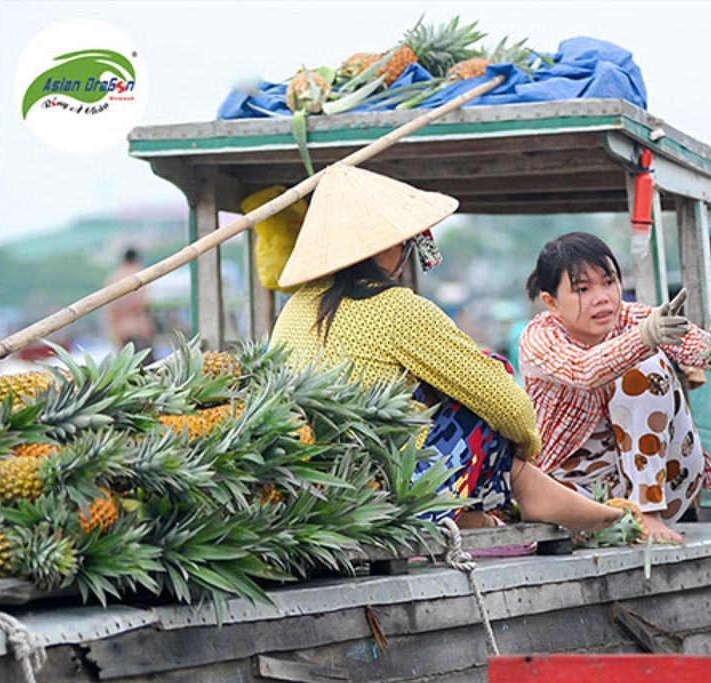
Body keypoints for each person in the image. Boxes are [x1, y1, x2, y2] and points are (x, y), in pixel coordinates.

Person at [269, 165, 628, 536]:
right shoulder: (396, 309)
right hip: (385, 496)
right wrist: (526, 450)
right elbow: (509, 405)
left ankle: (491, 504)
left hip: (310, 491)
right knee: (486, 388)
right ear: (389, 243)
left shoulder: (294, 309)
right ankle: (529, 489)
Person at [519, 232, 711, 543]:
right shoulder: (539, 338)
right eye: (583, 289)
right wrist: (642, 339)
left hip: (668, 483)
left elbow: (704, 351)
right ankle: (610, 521)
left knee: (646, 368)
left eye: (609, 282)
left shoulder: (635, 317)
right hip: (581, 489)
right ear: (552, 303)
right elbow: (584, 370)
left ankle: (648, 512)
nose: (603, 298)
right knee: (634, 360)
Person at [105, 247, 156, 360]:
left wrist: (114, 333)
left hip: (122, 329)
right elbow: (143, 303)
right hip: (140, 328)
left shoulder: (114, 278)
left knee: (126, 369)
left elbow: (111, 310)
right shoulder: (140, 275)